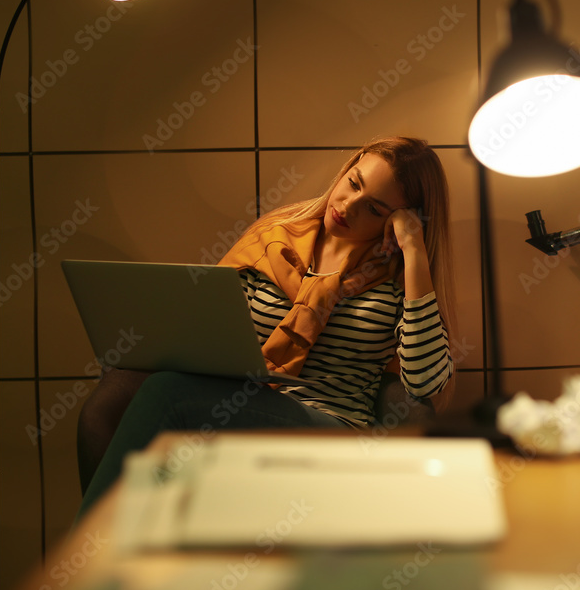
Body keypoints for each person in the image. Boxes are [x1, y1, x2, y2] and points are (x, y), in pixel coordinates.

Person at [76, 136, 457, 517]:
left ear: (403, 218)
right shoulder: (277, 234)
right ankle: (130, 547)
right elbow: (210, 320)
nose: (348, 205)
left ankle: (92, 550)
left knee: (167, 394)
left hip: (333, 428)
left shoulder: (399, 280)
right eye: (354, 183)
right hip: (242, 405)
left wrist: (414, 250)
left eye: (374, 208)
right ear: (346, 170)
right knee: (146, 402)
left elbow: (425, 381)